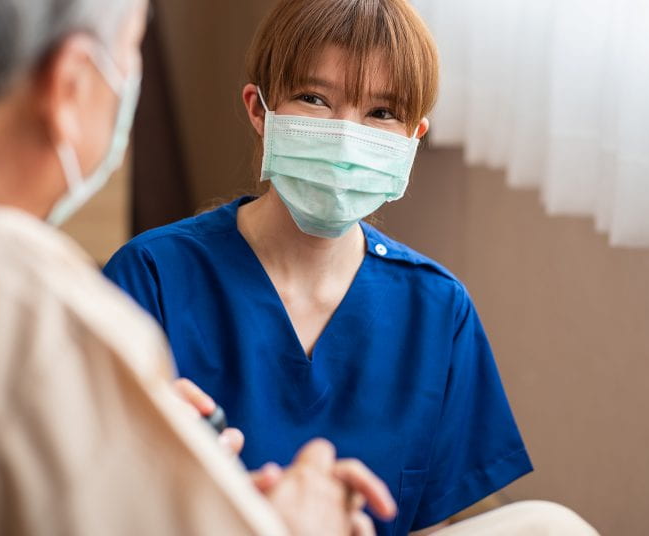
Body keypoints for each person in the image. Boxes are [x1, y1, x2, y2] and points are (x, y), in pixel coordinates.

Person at [0, 0, 395, 534]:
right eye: (129, 54)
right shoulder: (10, 304)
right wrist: (297, 520)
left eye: (382, 111)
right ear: (70, 83)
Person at [103, 0, 532, 533]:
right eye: (315, 99)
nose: (347, 136)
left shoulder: (437, 311)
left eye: (381, 113)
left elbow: (434, 520)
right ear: (260, 110)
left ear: (412, 140)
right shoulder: (152, 280)